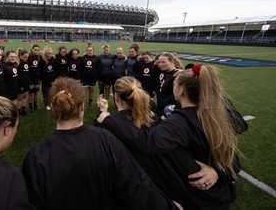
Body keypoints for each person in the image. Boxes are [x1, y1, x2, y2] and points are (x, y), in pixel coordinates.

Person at [21, 77, 180, 210]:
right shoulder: (106, 139)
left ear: (55, 108)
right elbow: (135, 184)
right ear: (82, 106)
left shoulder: (36, 155)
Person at [96, 66, 240, 209]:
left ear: (181, 90)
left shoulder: (180, 122)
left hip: (199, 199)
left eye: (174, 83)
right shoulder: (213, 114)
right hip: (215, 195)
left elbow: (145, 142)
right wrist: (219, 172)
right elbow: (232, 157)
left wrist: (107, 119)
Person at [156, 52, 181, 117]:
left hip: (168, 114)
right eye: (159, 62)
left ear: (171, 61)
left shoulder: (177, 75)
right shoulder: (166, 74)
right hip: (160, 111)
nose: (160, 64)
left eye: (163, 62)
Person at [41, 46, 57, 110]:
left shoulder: (53, 59)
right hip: (45, 80)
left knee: (52, 92)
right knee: (46, 92)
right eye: (48, 53)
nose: (50, 55)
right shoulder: (42, 61)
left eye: (51, 53)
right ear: (45, 53)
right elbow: (41, 71)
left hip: (52, 79)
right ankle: (46, 104)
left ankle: (51, 103)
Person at [28, 44, 43, 111]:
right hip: (30, 78)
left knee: (36, 92)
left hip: (37, 78)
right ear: (32, 50)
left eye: (38, 50)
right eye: (35, 50)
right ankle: (30, 106)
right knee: (30, 93)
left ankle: (35, 105)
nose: (36, 51)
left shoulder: (40, 57)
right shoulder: (29, 57)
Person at [17, 49, 31, 117]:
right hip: (20, 84)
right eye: (25, 57)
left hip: (26, 83)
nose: (26, 58)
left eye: (27, 57)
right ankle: (19, 112)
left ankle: (23, 109)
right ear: (20, 56)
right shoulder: (18, 63)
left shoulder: (27, 62)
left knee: (25, 97)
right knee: (19, 98)